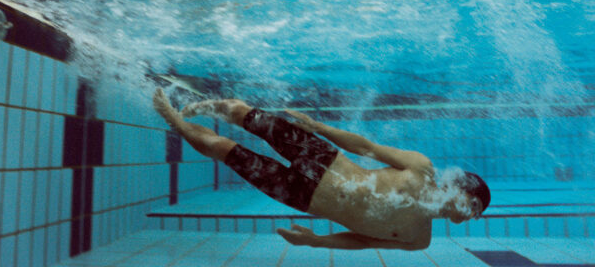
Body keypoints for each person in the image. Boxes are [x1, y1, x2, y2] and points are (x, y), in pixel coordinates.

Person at [153, 88, 490, 251]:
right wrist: (319, 128)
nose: (473, 215)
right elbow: (366, 147)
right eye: (475, 204)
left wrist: (315, 241)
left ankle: (177, 122)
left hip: (301, 196)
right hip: (323, 159)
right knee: (250, 117)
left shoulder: (418, 240)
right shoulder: (421, 168)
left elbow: (361, 241)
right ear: (461, 187)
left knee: (223, 151)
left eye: (478, 214)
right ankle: (207, 105)